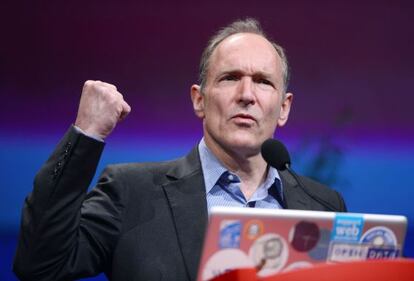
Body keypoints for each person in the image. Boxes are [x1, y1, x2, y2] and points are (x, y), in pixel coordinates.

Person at [13, 18, 346, 281]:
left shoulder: (323, 206)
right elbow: (40, 264)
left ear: (284, 107)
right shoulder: (131, 192)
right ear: (198, 99)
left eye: (263, 81)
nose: (247, 94)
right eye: (230, 78)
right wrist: (86, 134)